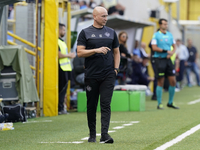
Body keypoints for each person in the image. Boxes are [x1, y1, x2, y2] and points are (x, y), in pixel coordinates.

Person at [77, 6, 120, 143]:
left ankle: (105, 135)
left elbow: (116, 52)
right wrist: (96, 50)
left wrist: (116, 69)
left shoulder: (112, 32)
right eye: (103, 16)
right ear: (95, 16)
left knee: (106, 104)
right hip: (91, 74)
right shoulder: (85, 33)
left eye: (106, 16)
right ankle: (92, 134)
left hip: (108, 74)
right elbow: (79, 52)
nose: (106, 19)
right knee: (91, 105)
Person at [151, 18, 179, 109]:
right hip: (159, 60)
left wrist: (172, 52)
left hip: (168, 60)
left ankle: (170, 102)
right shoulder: (156, 35)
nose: (165, 26)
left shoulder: (170, 35)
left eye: (166, 24)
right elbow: (154, 48)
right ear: (160, 25)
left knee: (173, 81)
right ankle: (159, 103)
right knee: (160, 81)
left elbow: (174, 47)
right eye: (164, 24)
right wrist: (166, 51)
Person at [58, 23, 76, 115]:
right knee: (61, 90)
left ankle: (61, 107)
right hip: (61, 68)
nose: (64, 32)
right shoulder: (57, 41)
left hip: (66, 68)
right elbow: (58, 54)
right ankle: (59, 108)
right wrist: (69, 55)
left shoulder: (61, 41)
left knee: (63, 89)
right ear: (59, 30)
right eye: (63, 30)